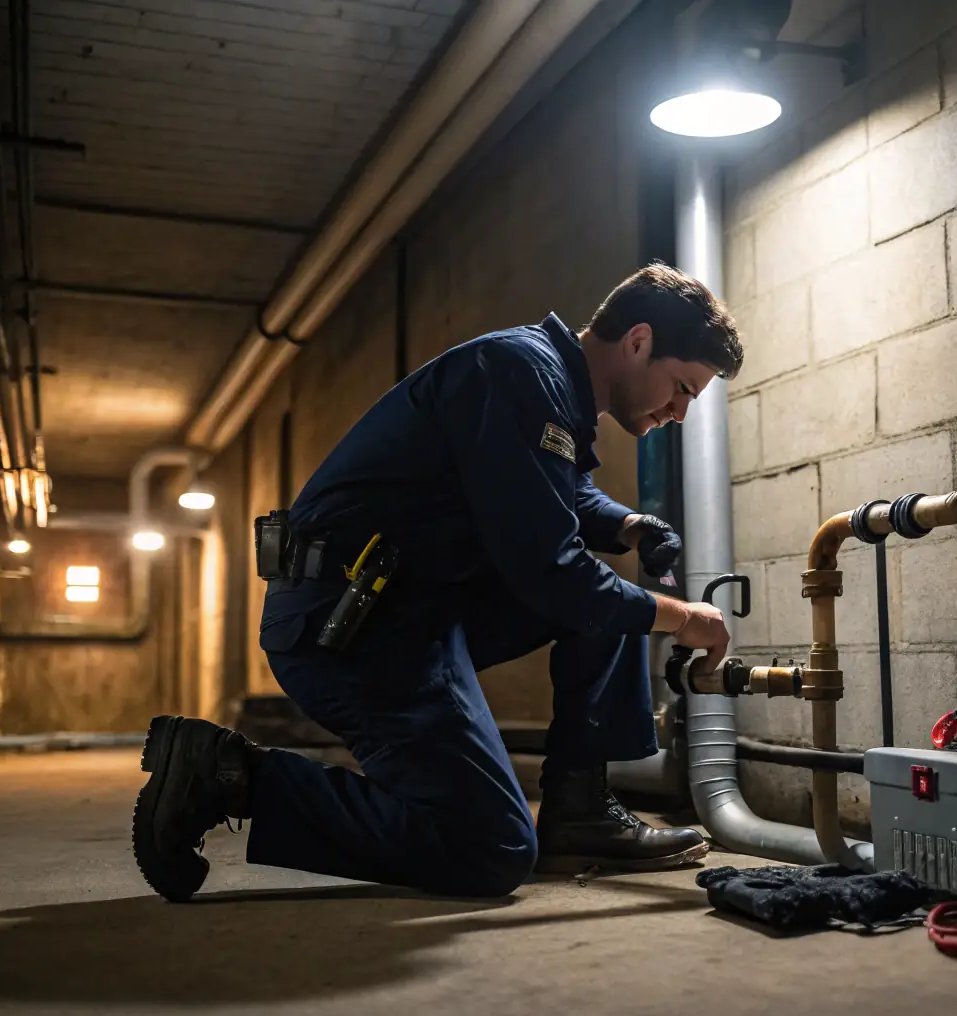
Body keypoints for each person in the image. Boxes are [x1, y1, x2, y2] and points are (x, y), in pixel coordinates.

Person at [132, 263, 744, 902]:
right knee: (491, 848)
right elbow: (551, 570)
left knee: (607, 605)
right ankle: (228, 774)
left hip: (404, 608)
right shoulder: (518, 373)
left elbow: (555, 487)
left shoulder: (545, 383)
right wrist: (684, 618)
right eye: (682, 388)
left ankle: (580, 809)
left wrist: (629, 525)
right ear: (639, 342)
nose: (679, 412)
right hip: (351, 626)